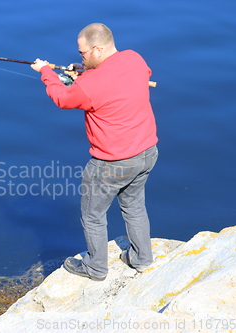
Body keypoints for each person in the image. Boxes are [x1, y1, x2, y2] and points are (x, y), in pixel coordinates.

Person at [31, 23, 158, 281]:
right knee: (134, 206)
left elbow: (62, 98)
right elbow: (131, 75)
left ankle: (95, 267)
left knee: (92, 215)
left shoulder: (92, 83)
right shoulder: (135, 58)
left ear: (97, 49)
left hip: (112, 163)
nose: (81, 58)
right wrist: (85, 73)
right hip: (147, 153)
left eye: (83, 54)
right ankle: (142, 259)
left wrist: (46, 71)